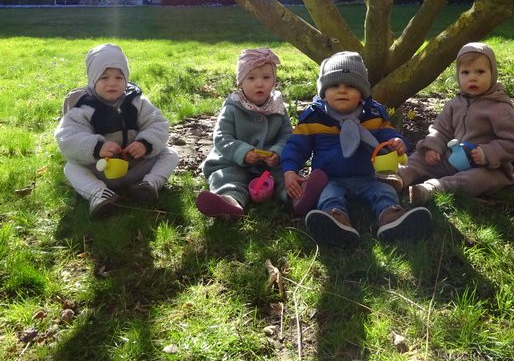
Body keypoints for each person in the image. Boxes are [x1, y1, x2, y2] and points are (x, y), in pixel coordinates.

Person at [281, 51, 432, 248]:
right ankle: (336, 221)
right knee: (328, 196)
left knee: (384, 191)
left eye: (350, 86)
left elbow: (387, 133)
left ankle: (392, 217)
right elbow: (296, 145)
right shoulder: (314, 117)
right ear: (324, 91)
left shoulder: (373, 114)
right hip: (330, 178)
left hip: (368, 176)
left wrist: (397, 142)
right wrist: (290, 170)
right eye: (334, 85)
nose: (342, 91)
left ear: (362, 91)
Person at [55, 43, 179, 218]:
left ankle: (149, 185)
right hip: (101, 170)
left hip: (134, 166)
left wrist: (144, 144)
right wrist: (97, 148)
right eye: (104, 77)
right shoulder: (83, 107)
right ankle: (99, 194)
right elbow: (67, 137)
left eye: (119, 77)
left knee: (170, 154)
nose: (112, 83)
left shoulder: (137, 102)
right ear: (93, 80)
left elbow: (157, 123)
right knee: (71, 167)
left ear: (126, 79)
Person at [398, 42, 514, 205]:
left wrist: (487, 153)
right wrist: (433, 147)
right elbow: (441, 129)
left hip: (488, 167)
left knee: (476, 180)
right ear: (458, 75)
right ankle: (402, 176)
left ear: (493, 74)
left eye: (480, 72)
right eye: (465, 72)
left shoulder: (500, 108)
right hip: (452, 159)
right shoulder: (454, 105)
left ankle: (434, 188)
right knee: (420, 157)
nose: (472, 77)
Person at [196, 48, 293, 218]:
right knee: (228, 176)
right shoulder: (232, 107)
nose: (259, 84)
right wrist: (242, 151)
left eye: (266, 77)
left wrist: (278, 152)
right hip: (232, 161)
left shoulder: (277, 107)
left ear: (274, 81)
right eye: (251, 78)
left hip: (269, 164)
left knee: (284, 175)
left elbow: (287, 135)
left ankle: (296, 197)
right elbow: (222, 137)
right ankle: (229, 201)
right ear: (240, 82)